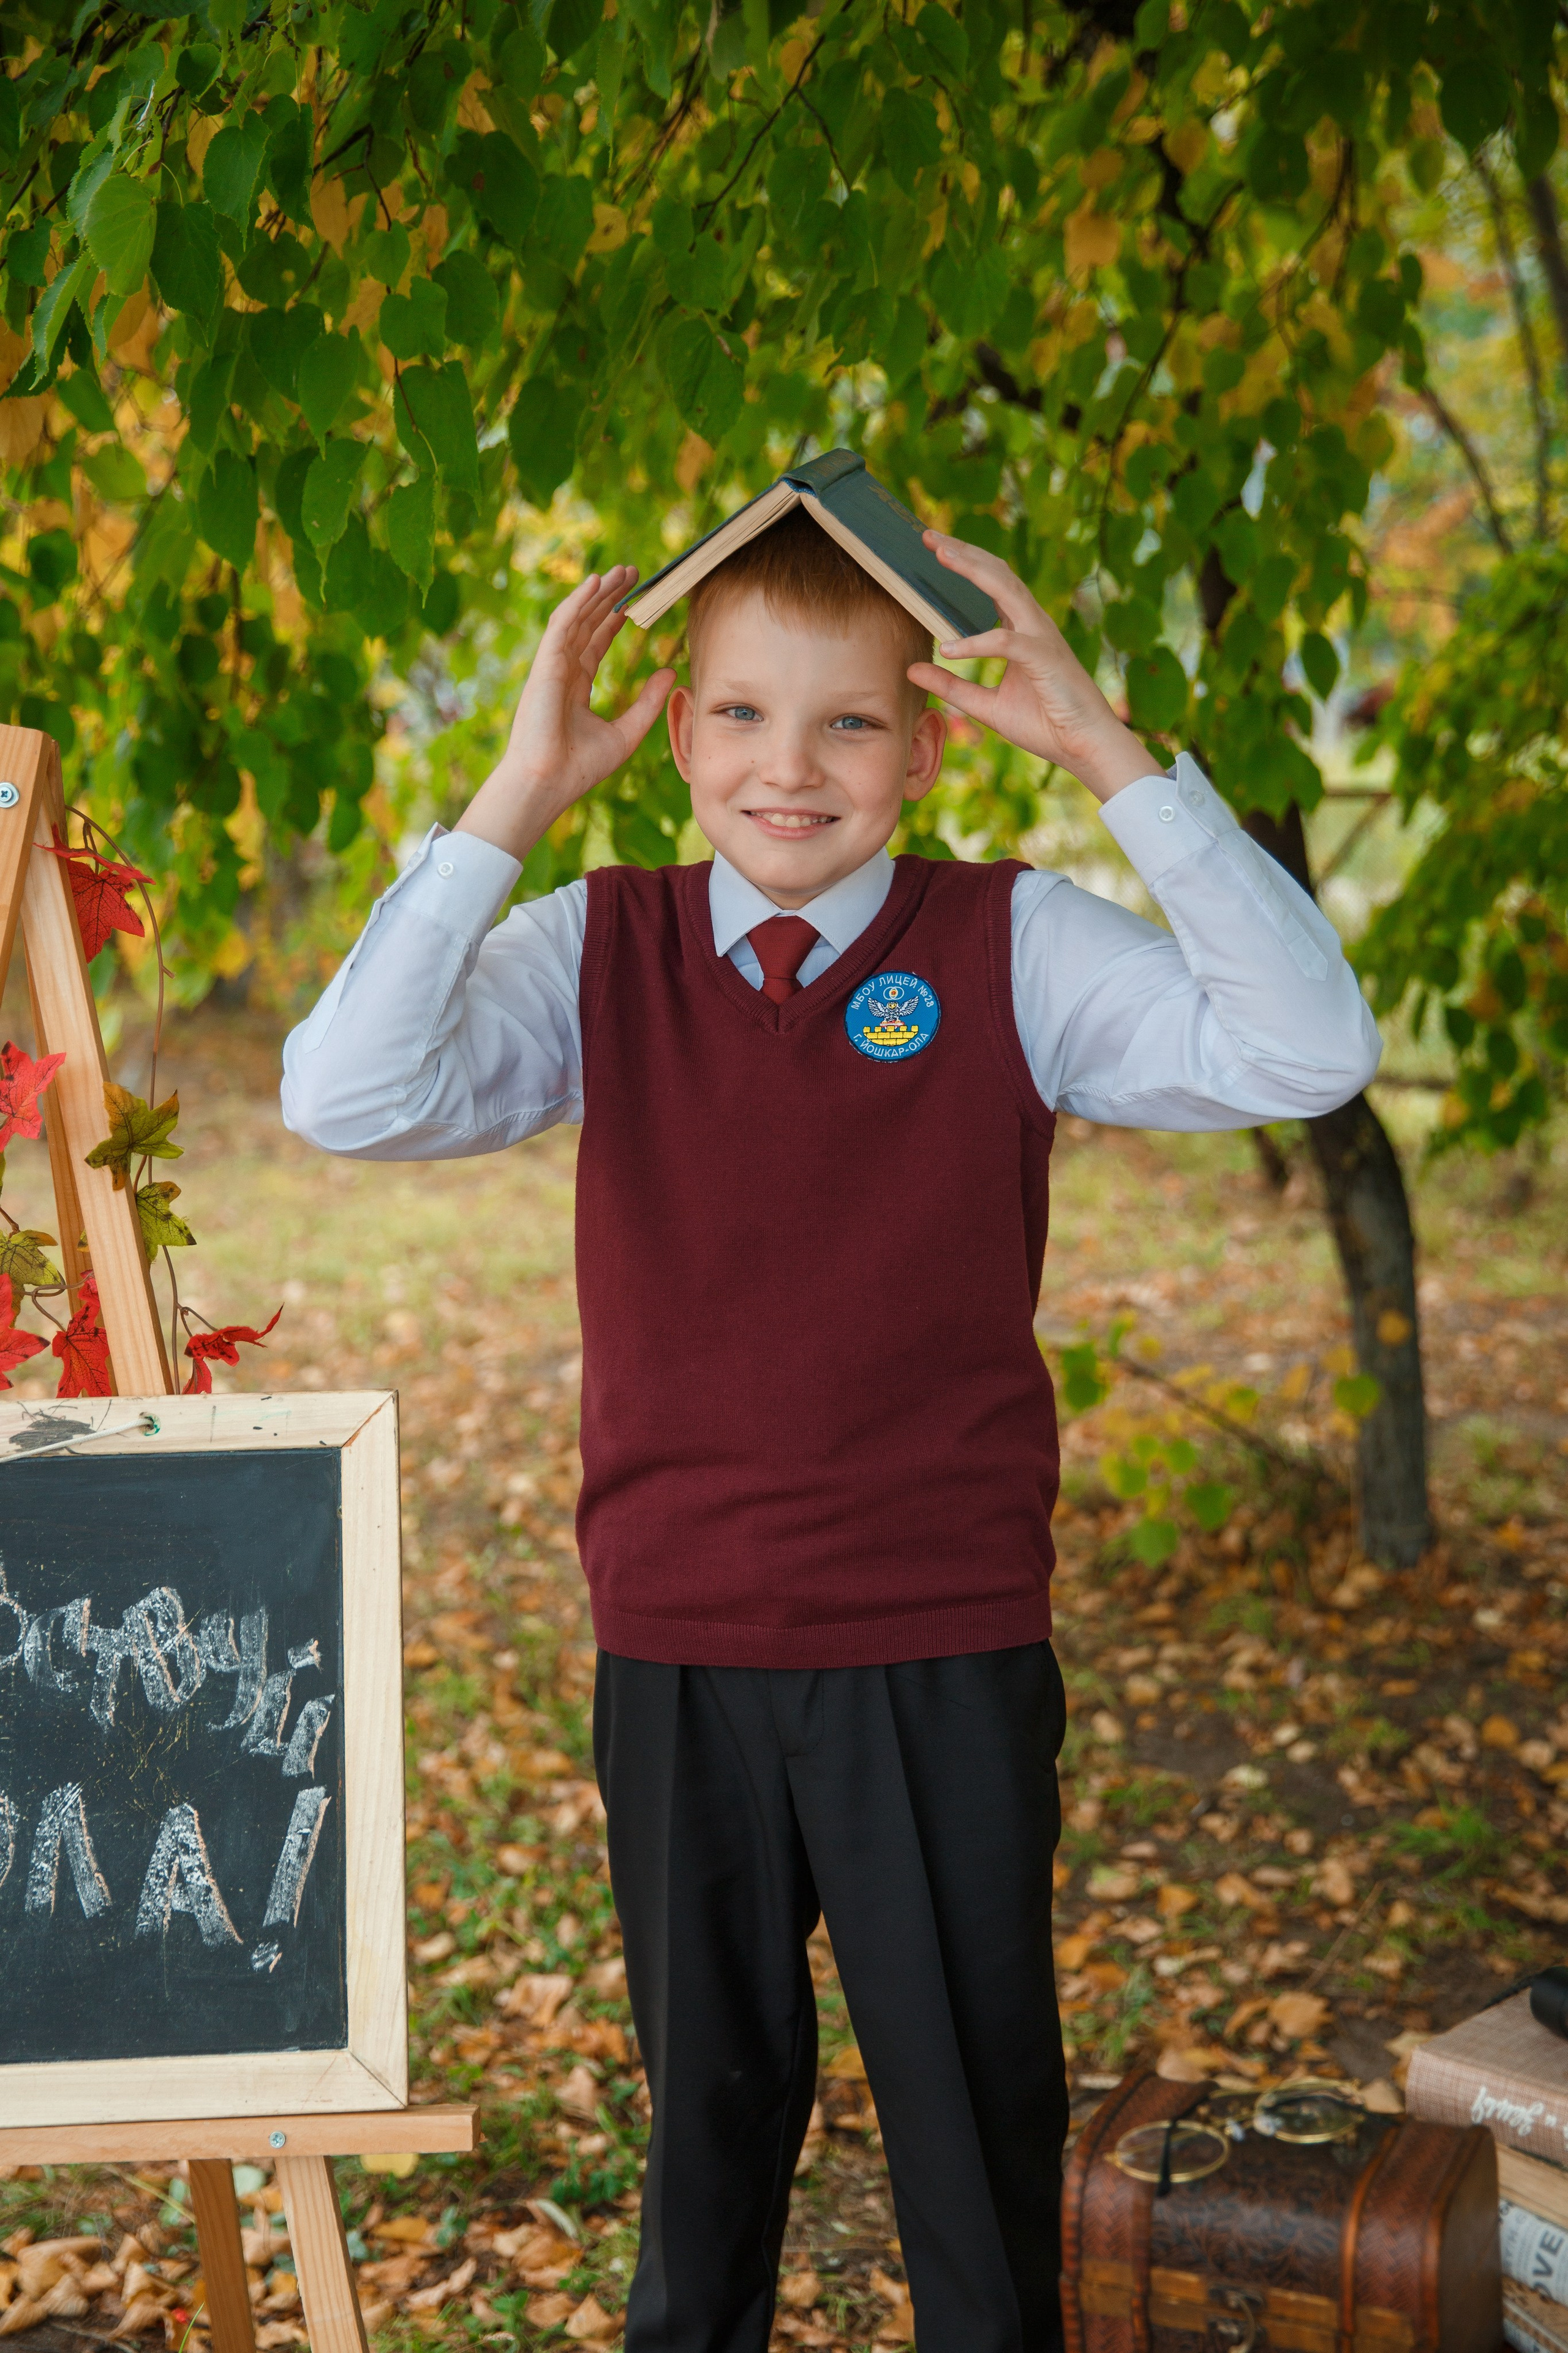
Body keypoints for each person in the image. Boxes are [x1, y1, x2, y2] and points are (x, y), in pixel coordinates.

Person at [282, 512, 1380, 2353]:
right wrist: (520, 789)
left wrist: (1112, 752)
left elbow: (1305, 1048)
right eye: (738, 715)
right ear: (679, 732)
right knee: (706, 2154)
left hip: (935, 1645)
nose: (789, 768)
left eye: (850, 725)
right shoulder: (602, 949)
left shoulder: (1009, 941)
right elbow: (343, 1091)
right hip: (681, 1642)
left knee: (972, 2160)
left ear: (931, 739)